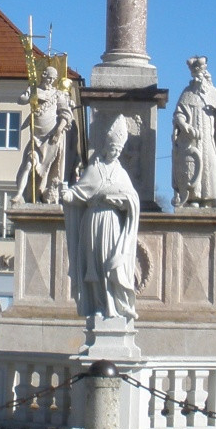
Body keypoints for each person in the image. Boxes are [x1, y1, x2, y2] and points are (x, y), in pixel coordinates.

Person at [60, 114, 140, 322]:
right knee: (92, 265)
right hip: (92, 221)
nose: (115, 152)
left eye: (119, 150)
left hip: (112, 222)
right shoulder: (93, 169)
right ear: (106, 146)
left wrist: (121, 202)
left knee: (109, 264)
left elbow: (132, 199)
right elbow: (78, 194)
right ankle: (96, 305)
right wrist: (66, 194)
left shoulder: (122, 173)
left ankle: (112, 306)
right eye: (113, 148)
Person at [170, 56, 216, 208]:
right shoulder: (187, 93)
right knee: (192, 168)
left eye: (202, 75)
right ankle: (193, 198)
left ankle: (213, 198)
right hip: (192, 141)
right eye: (197, 75)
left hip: (208, 139)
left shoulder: (214, 93)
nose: (200, 78)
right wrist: (184, 125)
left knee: (211, 165)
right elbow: (178, 113)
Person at [13, 64, 75, 203]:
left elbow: (66, 114)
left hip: (51, 138)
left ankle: (42, 194)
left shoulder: (58, 94)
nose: (50, 81)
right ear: (44, 75)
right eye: (49, 78)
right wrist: (29, 94)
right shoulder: (34, 90)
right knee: (29, 163)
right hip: (36, 136)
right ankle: (19, 194)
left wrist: (59, 130)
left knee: (47, 169)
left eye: (53, 79)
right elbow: (20, 100)